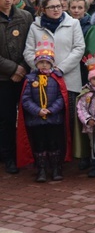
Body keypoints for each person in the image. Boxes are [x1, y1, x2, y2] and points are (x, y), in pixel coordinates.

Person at [23, 0, 85, 147]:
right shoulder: (35, 26)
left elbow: (79, 48)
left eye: (58, 6)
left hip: (68, 78)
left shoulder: (73, 24)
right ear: (43, 9)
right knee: (48, 119)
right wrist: (41, 67)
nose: (56, 9)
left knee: (69, 118)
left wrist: (60, 69)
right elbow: (28, 52)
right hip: (42, 81)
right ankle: (50, 155)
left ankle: (70, 153)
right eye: (51, 7)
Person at [17, 40, 70, 182]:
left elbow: (61, 98)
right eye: (41, 62)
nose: (44, 65)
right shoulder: (30, 79)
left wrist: (51, 110)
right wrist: (38, 111)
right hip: (36, 119)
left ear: (52, 63)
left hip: (54, 118)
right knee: (39, 144)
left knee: (54, 143)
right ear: (36, 64)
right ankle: (41, 169)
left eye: (47, 62)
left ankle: (56, 168)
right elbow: (26, 99)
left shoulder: (56, 78)